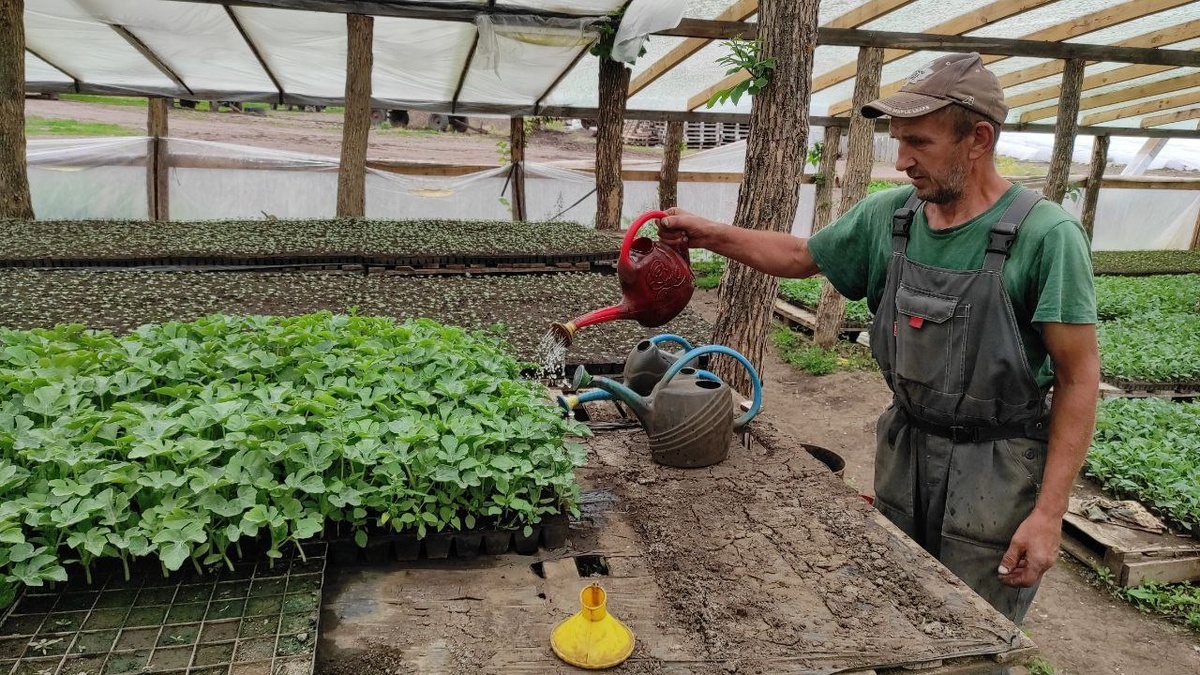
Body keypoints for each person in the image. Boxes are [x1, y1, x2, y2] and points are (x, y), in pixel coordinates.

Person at [657, 52, 1098, 625]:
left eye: (919, 142)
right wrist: (709, 234)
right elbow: (800, 256)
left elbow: (1077, 377)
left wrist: (1049, 514)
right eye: (898, 140)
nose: (902, 160)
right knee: (896, 607)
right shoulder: (891, 216)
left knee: (972, 631)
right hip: (904, 449)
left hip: (998, 467)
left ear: (978, 139)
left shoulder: (1046, 235)